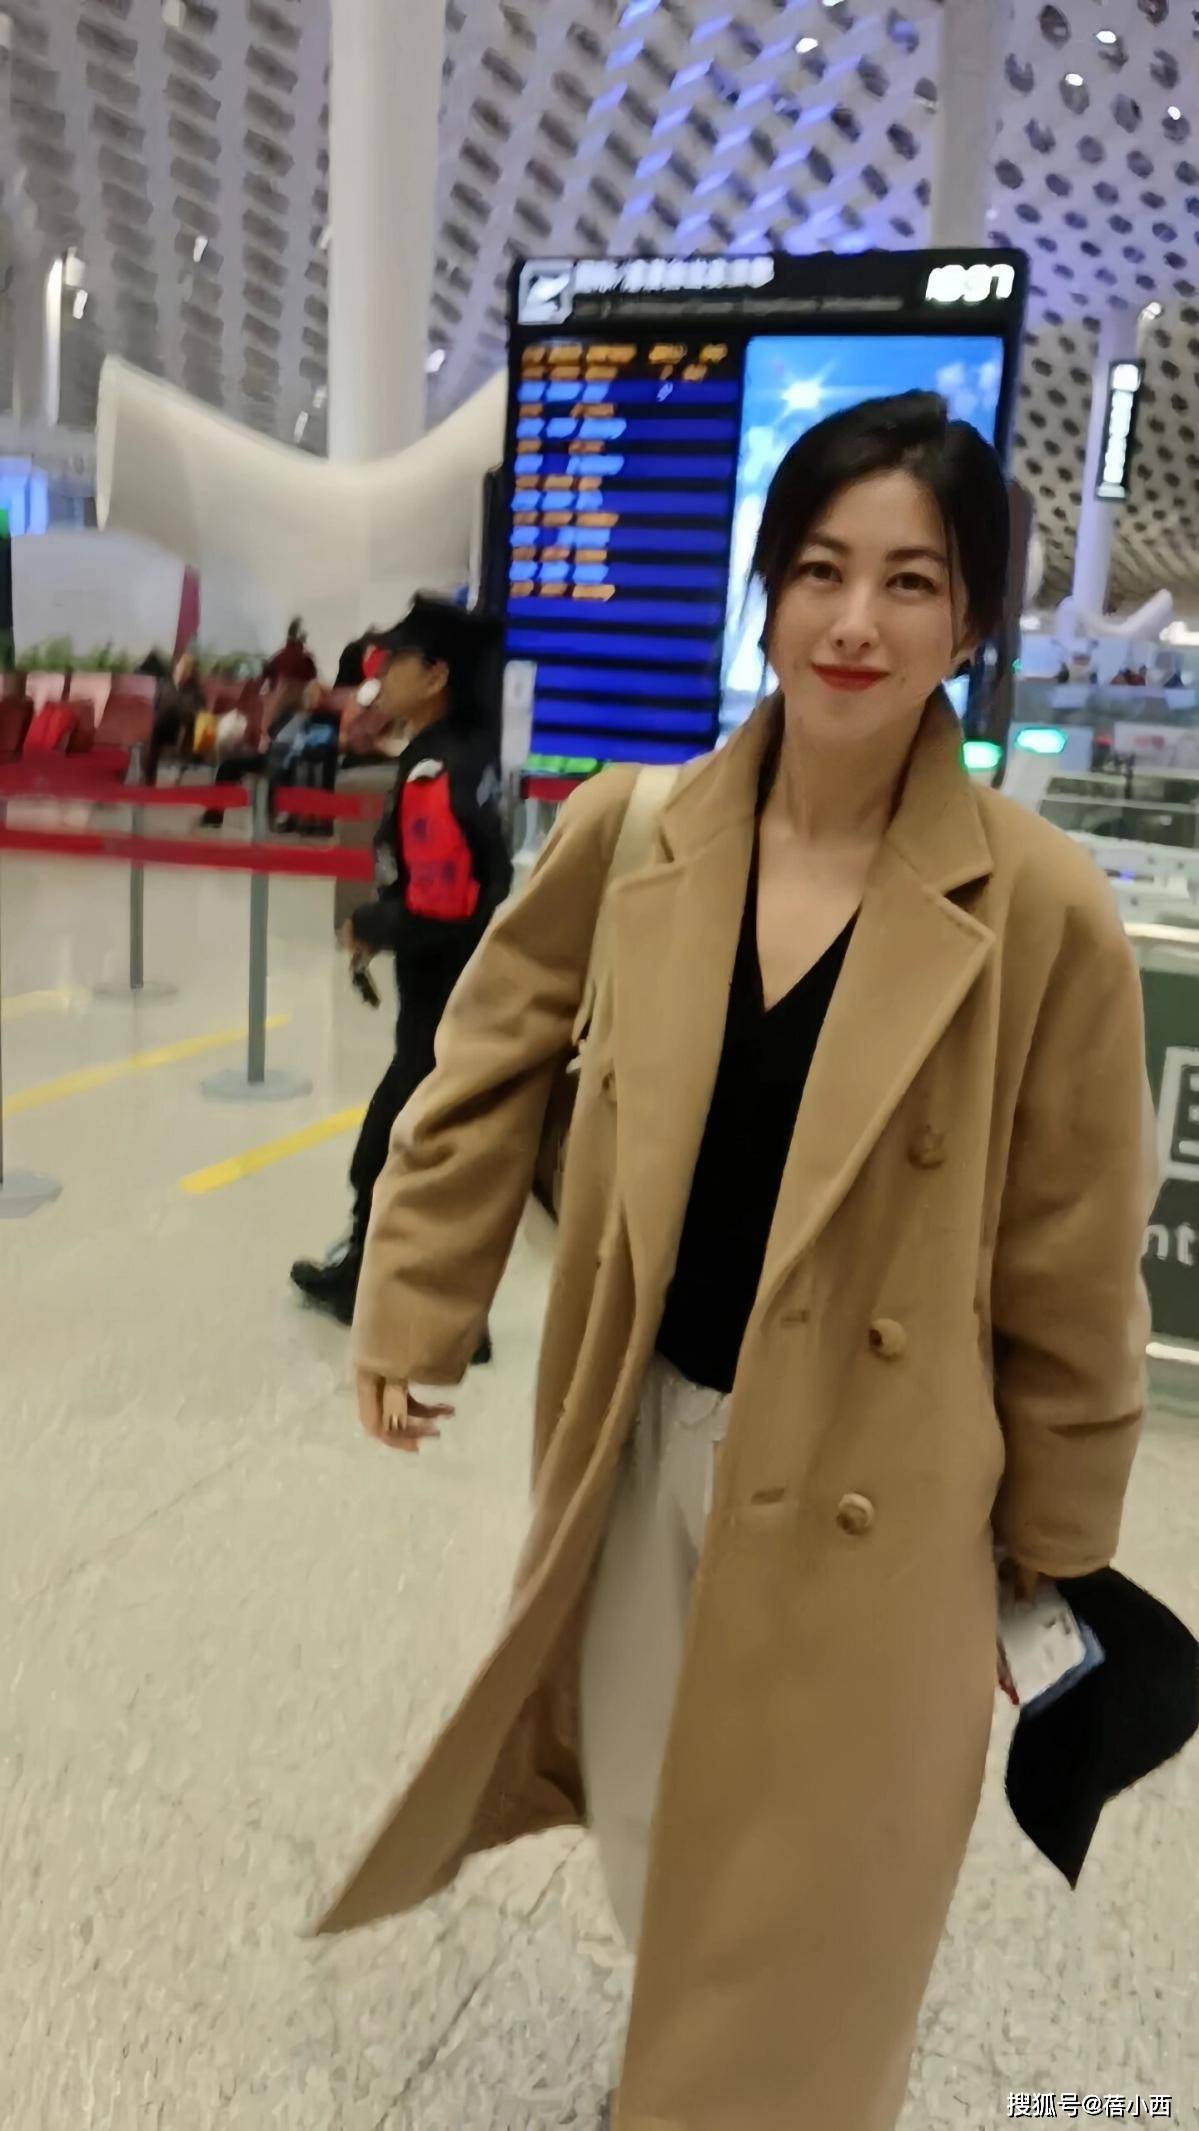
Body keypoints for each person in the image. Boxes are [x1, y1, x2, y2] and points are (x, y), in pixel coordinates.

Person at [312, 394, 1154, 2131]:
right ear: (765, 594)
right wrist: (414, 1302)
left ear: (967, 623)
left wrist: (1054, 1540)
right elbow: (481, 1066)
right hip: (643, 1443)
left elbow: (1072, 1254)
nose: (855, 621)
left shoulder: (1040, 907)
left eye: (909, 582)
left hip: (882, 1488)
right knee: (651, 1829)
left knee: (818, 1897)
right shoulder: (638, 832)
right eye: (820, 570)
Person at [290, 595, 511, 1331]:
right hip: (471, 989)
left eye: (397, 660)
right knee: (438, 1145)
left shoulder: (433, 774)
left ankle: (383, 1290)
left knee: (395, 1142)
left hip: (442, 996)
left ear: (437, 675)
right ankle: (444, 1305)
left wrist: (369, 924)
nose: (380, 673)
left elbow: (441, 905)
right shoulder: (472, 749)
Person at [197, 678, 339, 830]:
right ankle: (215, 812)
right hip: (271, 756)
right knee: (227, 767)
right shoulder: (288, 715)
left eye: (314, 695)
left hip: (289, 762)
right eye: (309, 695)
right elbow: (271, 735)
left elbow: (313, 742)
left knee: (274, 776)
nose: (310, 699)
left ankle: (274, 818)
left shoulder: (320, 718)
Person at [144, 650, 205, 784]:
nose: (181, 672)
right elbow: (156, 705)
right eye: (180, 668)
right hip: (164, 725)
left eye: (186, 670)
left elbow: (199, 712)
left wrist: (183, 711)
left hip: (184, 726)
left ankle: (179, 771)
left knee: (189, 728)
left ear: (191, 673)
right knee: (155, 729)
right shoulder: (165, 684)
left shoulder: (195, 691)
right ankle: (149, 779)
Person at [262, 617, 317, 689]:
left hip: (278, 694)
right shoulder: (306, 661)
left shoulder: (276, 659)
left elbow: (266, 676)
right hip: (296, 694)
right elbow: (313, 682)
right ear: (302, 637)